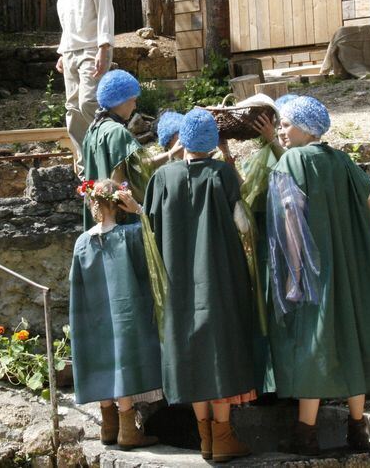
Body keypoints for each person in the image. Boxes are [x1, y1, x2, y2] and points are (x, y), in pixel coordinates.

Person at [266, 96, 370, 455]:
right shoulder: (342, 160)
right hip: (352, 268)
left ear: (304, 127)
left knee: (315, 343)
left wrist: (296, 271)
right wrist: (363, 249)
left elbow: (290, 222)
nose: (281, 131)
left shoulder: (292, 162)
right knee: (352, 341)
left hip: (315, 273)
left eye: (285, 124)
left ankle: (305, 434)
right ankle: (358, 428)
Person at [141, 108, 257, 463]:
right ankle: (222, 436)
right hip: (220, 278)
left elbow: (151, 228)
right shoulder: (222, 174)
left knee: (190, 352)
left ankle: (206, 436)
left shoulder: (162, 178)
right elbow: (243, 225)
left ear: (183, 142)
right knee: (219, 351)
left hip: (177, 282)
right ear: (212, 142)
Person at [69, 178, 162, 450]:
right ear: (119, 203)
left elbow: (76, 285)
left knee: (103, 359)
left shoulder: (82, 242)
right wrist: (140, 211)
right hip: (125, 311)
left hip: (93, 314)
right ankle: (127, 432)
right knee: (123, 362)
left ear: (93, 203)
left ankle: (108, 427)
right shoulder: (129, 234)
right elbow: (157, 239)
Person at [52, 0, 115, 175]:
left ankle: (110, 150)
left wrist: (104, 47)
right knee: (72, 110)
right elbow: (69, 16)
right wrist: (62, 50)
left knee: (89, 102)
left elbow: (104, 10)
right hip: (70, 51)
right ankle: (85, 167)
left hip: (92, 49)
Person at [80, 70, 147, 230]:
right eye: (133, 100)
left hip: (98, 213)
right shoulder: (117, 131)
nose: (135, 106)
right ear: (121, 101)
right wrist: (170, 155)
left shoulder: (93, 128)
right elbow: (120, 178)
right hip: (117, 217)